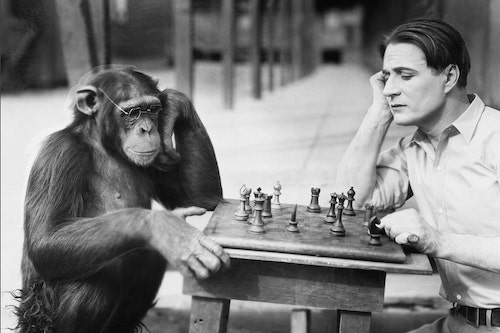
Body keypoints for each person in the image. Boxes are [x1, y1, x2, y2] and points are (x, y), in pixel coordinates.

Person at [335, 18, 500, 332]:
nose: (391, 90)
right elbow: (349, 203)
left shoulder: (496, 138)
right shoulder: (412, 148)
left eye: (405, 76)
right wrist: (378, 113)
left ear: (449, 76)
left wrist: (436, 240)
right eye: (387, 78)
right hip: (460, 322)